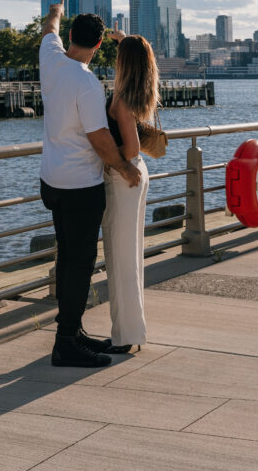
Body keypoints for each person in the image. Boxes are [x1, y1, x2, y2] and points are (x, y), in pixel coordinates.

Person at [39, 0, 141, 368]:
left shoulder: (50, 58)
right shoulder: (86, 82)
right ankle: (66, 342)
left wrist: (56, 9)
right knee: (80, 263)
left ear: (70, 37)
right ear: (99, 46)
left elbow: (48, 28)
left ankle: (72, 330)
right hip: (81, 185)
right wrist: (125, 169)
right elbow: (99, 138)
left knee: (67, 256)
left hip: (51, 181)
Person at [101, 32, 157, 352]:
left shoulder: (121, 100)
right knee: (131, 257)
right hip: (138, 174)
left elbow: (131, 145)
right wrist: (123, 40)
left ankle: (124, 337)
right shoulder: (139, 92)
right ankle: (132, 332)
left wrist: (107, 158)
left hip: (125, 177)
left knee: (121, 260)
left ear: (124, 64)